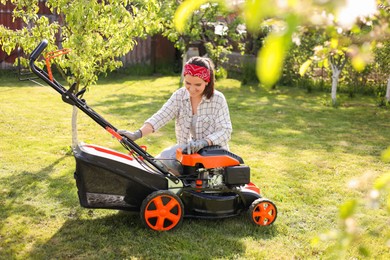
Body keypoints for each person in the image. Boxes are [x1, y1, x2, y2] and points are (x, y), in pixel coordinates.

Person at [118, 56, 232, 174]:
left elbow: (225, 131)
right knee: (156, 166)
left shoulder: (217, 99)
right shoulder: (180, 96)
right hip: (187, 154)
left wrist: (204, 142)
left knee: (164, 162)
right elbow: (161, 116)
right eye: (188, 83)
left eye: (198, 85)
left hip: (213, 157)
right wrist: (137, 134)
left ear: (207, 82)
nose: (192, 89)